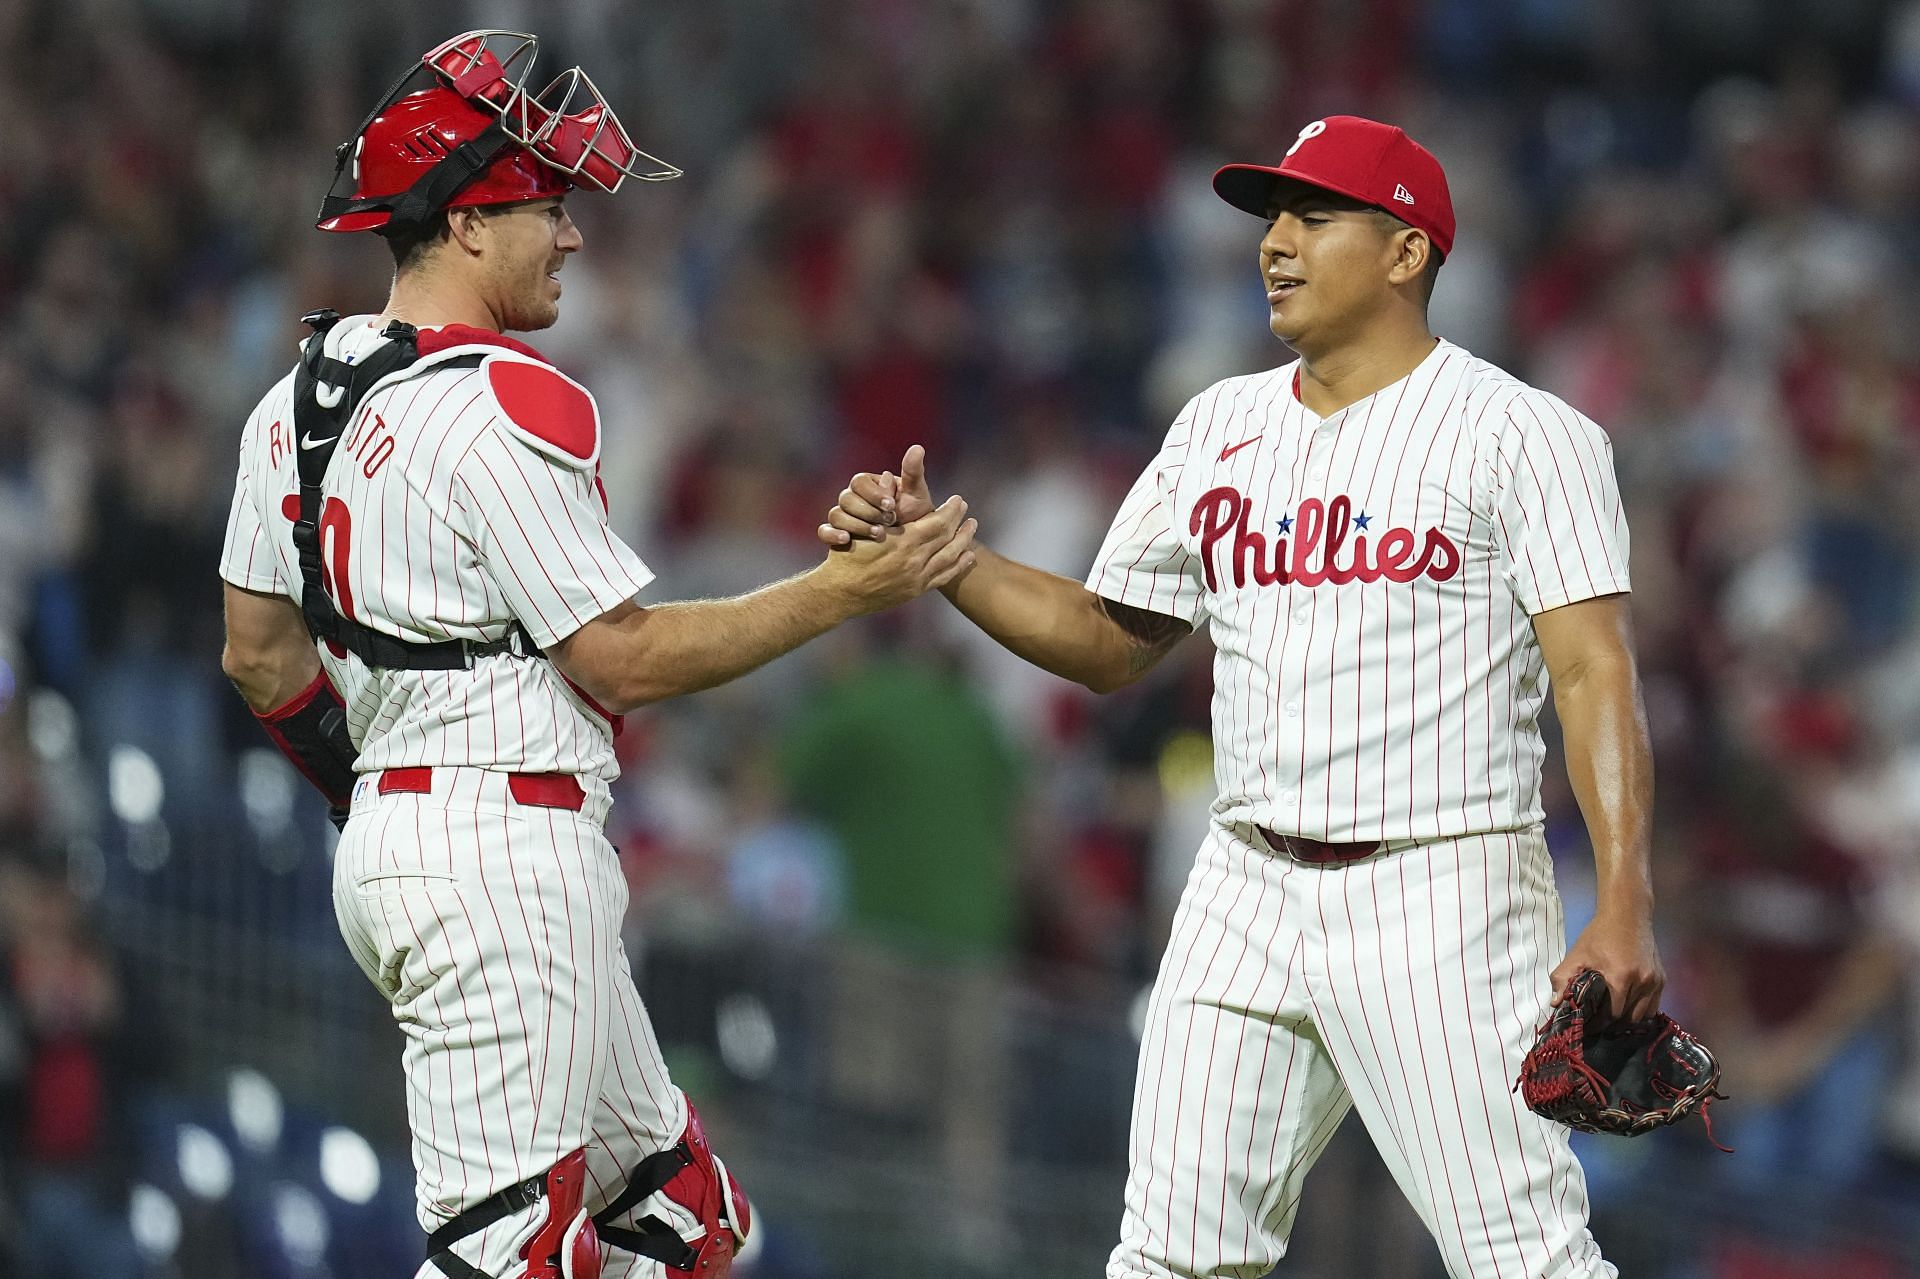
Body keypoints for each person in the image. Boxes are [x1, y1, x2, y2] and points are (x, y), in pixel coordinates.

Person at [825, 115, 1658, 1278]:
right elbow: (1113, 640)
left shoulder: (1526, 436)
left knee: (1524, 1258)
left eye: (1316, 217)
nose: (1276, 242)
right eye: (1272, 217)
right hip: (1241, 883)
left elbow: (1592, 671)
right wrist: (951, 561)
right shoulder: (1219, 427)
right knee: (1167, 1255)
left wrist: (1622, 899)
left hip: (1441, 892)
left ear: (1408, 252)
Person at [216, 31, 975, 1279]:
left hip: (415, 841)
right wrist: (847, 588)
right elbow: (619, 658)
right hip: (505, 858)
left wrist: (381, 798)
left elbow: (256, 652)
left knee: (683, 1226)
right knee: (508, 1262)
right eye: (545, 206)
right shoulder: (509, 400)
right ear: (465, 223)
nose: (570, 235)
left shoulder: (296, 397)